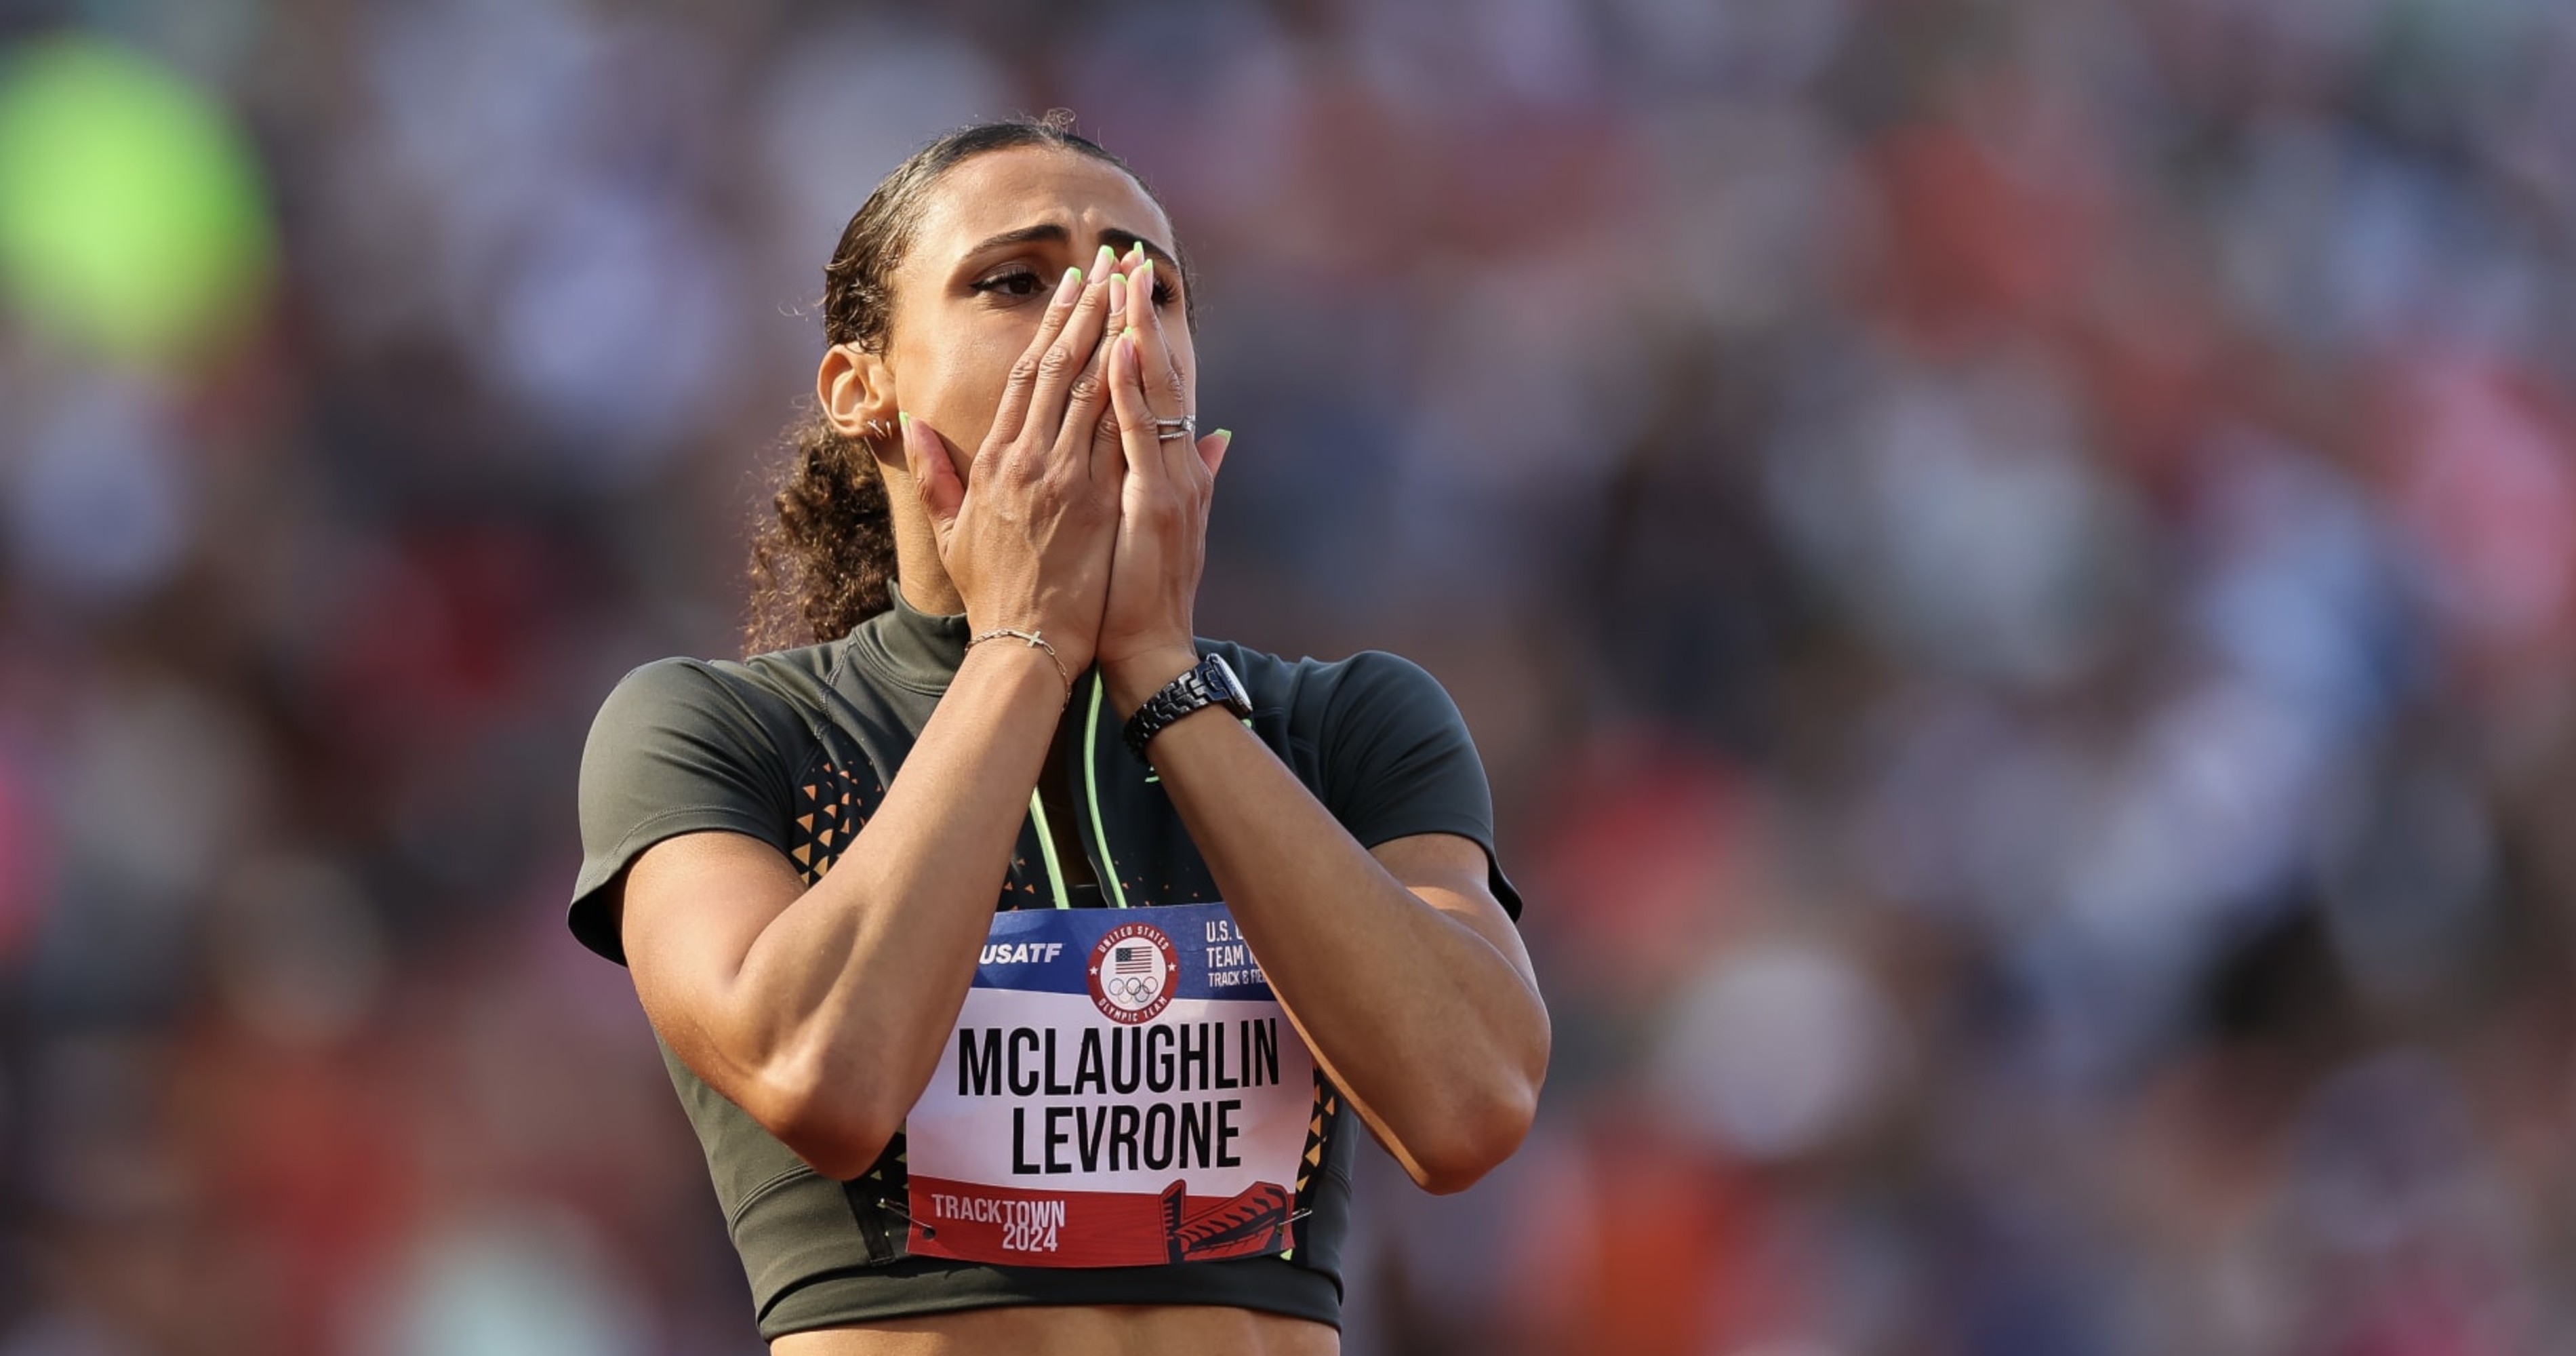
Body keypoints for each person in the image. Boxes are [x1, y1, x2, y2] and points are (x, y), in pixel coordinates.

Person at [566, 117, 1548, 1355]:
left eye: (1148, 285)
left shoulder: (1343, 723)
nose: (1098, 319)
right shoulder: (721, 730)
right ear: (860, 387)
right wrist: (1021, 644)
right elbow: (821, 1072)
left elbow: (1470, 1106)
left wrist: (1159, 676)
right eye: (1016, 281)